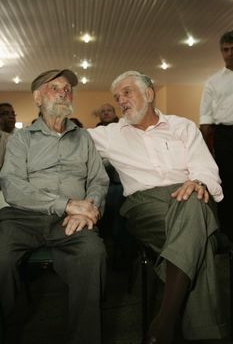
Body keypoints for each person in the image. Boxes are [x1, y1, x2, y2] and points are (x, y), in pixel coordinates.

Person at [88, 71, 227, 344]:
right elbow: (69, 140)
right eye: (117, 98)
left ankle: (163, 325)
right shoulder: (109, 135)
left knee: (193, 205)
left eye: (127, 92)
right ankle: (179, 326)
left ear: (149, 94)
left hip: (193, 193)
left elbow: (205, 166)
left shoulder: (182, 126)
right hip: (145, 205)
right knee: (202, 239)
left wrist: (198, 181)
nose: (121, 101)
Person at [0, 69, 109, 344]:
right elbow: (11, 185)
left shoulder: (84, 137)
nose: (64, 92)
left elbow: (98, 179)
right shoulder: (21, 139)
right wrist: (67, 204)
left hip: (72, 221)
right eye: (54, 87)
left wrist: (90, 209)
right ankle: (11, 325)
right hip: (24, 216)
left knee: (93, 253)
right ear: (38, 98)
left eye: (67, 88)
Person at [199, 29, 233, 242]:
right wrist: (204, 151)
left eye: (232, 49)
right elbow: (205, 117)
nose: (229, 53)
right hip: (225, 136)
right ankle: (229, 234)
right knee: (227, 184)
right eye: (225, 50)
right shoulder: (213, 82)